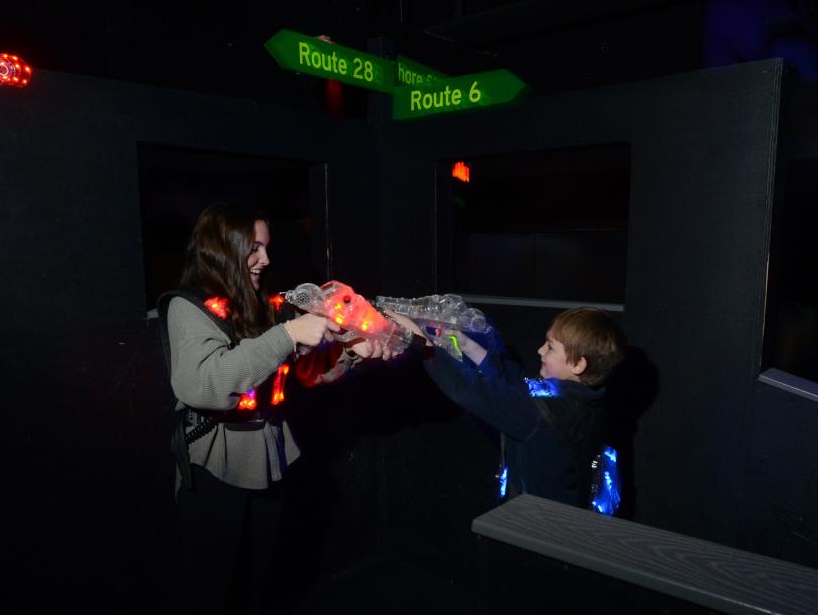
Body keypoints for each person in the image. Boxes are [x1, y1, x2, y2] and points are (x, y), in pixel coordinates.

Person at [164, 202, 387, 614]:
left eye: (265, 248)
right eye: (254, 248)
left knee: (261, 581)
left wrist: (352, 352)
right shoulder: (188, 308)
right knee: (212, 587)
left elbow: (304, 375)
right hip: (215, 466)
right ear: (222, 248)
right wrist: (287, 333)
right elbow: (205, 386)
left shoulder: (259, 303)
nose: (265, 259)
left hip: (269, 458)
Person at [393, 307, 626, 508]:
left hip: (533, 527)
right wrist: (470, 347)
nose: (540, 351)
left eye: (551, 347)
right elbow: (521, 381)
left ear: (578, 364)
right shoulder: (588, 399)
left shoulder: (538, 413)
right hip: (566, 518)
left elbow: (466, 389)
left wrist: (417, 340)